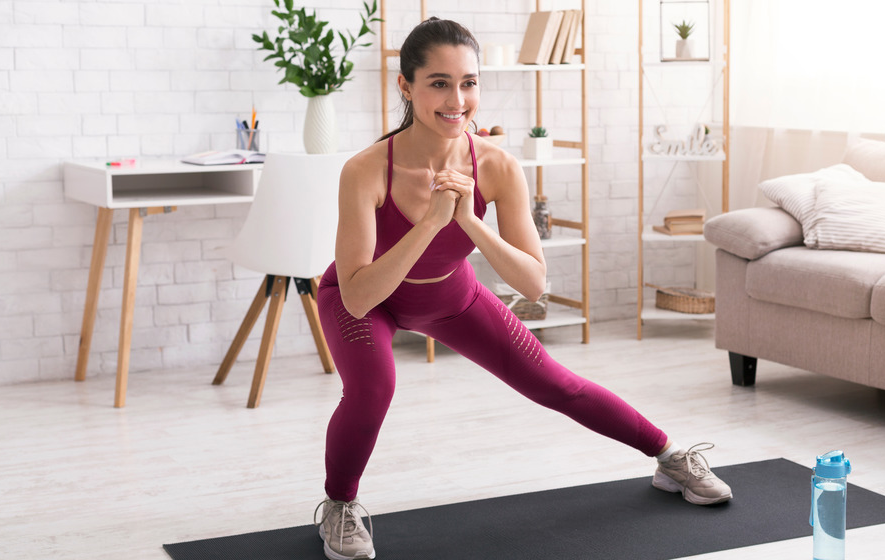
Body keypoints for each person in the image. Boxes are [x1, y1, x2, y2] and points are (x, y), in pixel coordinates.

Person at [314, 17, 732, 560]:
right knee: (374, 388)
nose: (457, 99)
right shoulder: (366, 170)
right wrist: (429, 223)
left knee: (555, 384)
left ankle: (670, 456)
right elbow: (359, 295)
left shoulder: (498, 167)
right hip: (365, 298)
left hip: (451, 295)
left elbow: (534, 284)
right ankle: (339, 506)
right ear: (406, 86)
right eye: (439, 82)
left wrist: (468, 220)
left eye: (469, 83)